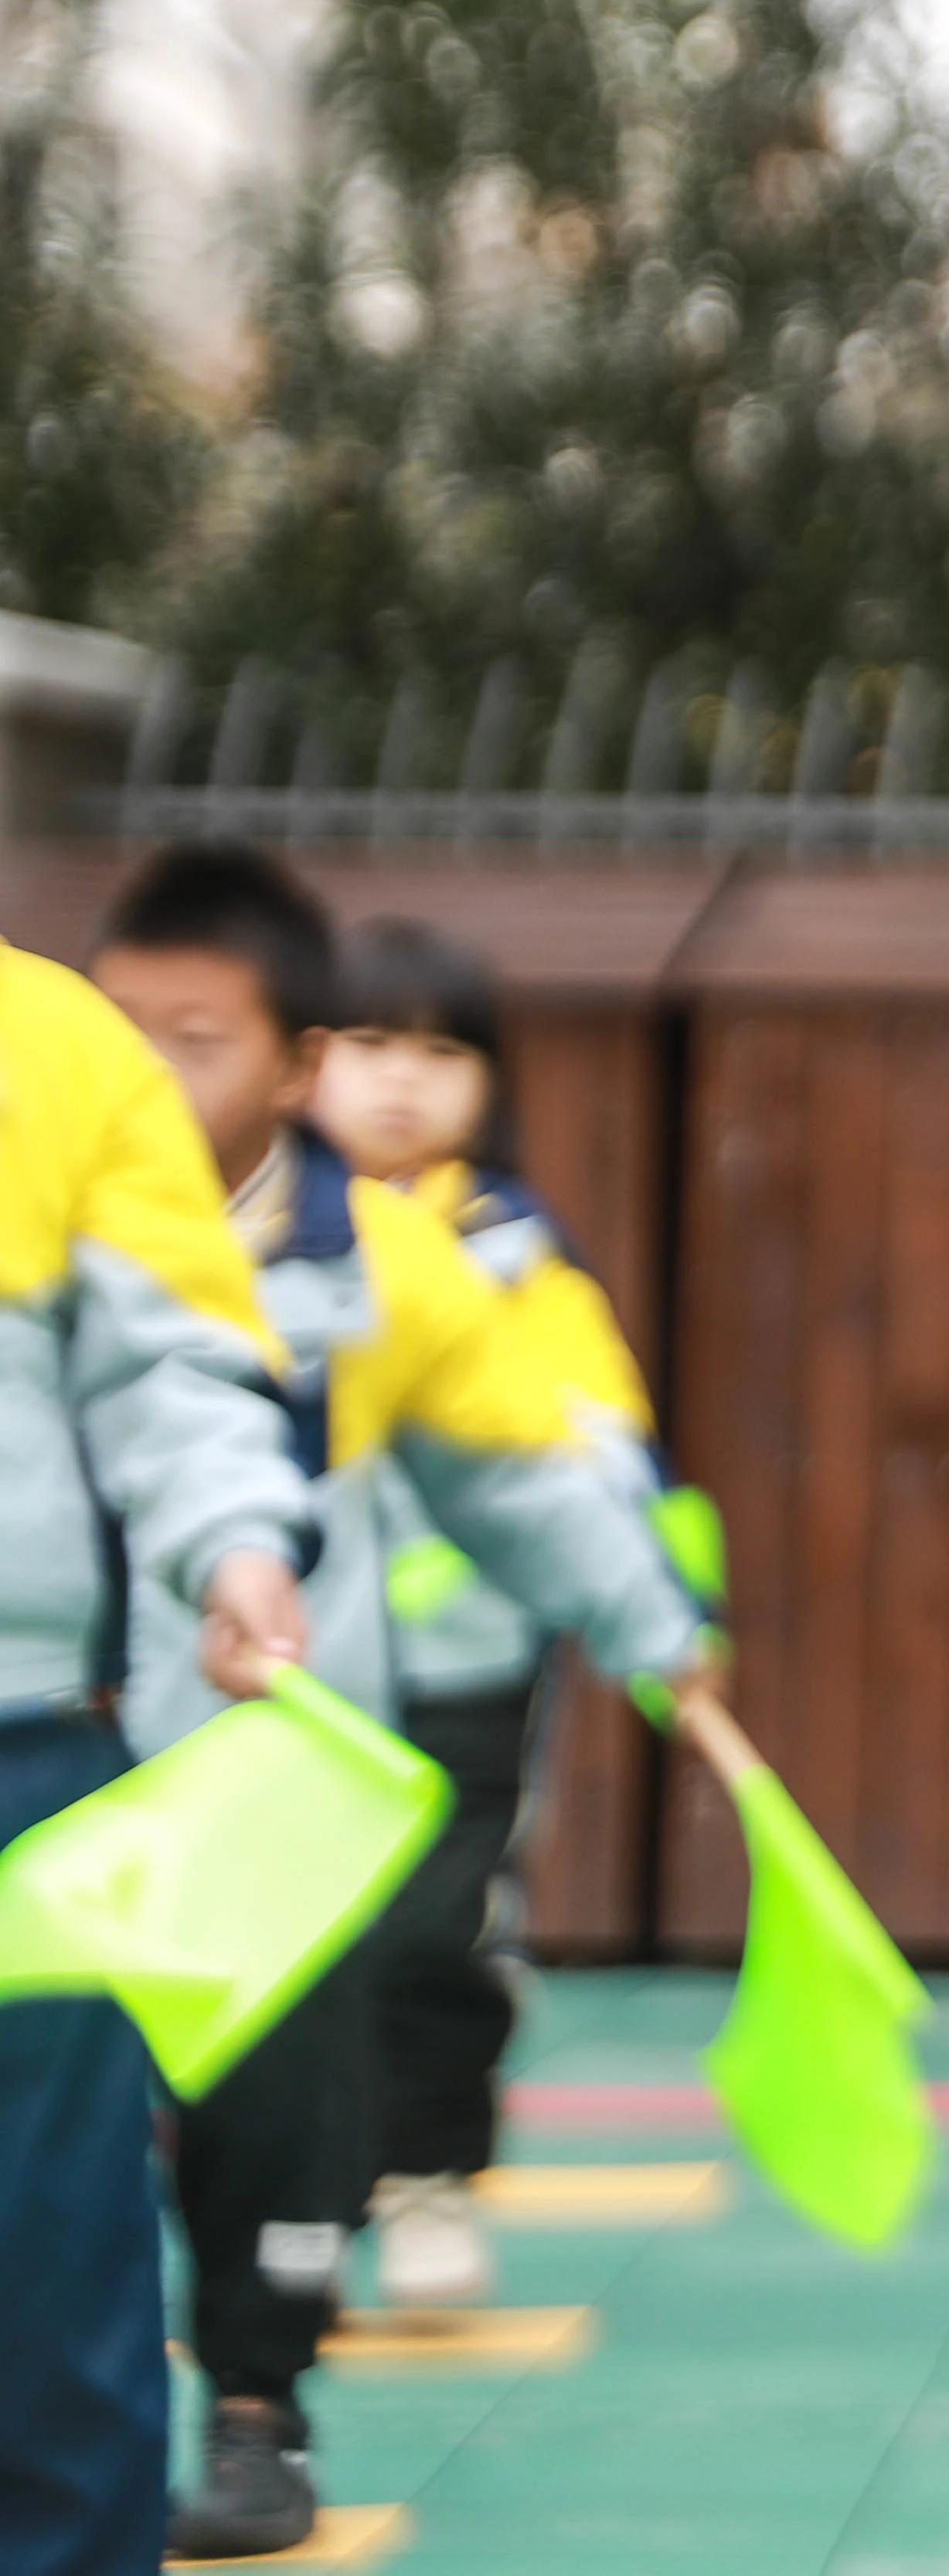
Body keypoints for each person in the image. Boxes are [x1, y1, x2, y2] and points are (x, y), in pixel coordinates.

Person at [88, 846, 715, 2562]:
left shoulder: (383, 1259)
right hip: (69, 1753)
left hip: (279, 1762)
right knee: (63, 2099)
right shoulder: (52, 1216)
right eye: (119, 1025)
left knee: (281, 2088)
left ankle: (256, 2405)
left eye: (196, 1034)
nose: (146, 1068)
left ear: (293, 1063)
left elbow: (518, 1471)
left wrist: (653, 1615)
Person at [308, 917, 712, 2316]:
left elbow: (600, 1454)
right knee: (295, 1935)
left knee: (437, 1928)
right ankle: (299, 2201)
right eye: (367, 1043)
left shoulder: (519, 1262)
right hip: (286, 1672)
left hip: (470, 1664)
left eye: (440, 1049)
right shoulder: (240, 1241)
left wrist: (661, 1612)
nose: (399, 1081)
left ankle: (424, 2182)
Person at [0, 932, 320, 2576]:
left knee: (50, 2248)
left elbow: (177, 1362)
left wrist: (239, 1542)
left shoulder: (51, 1043)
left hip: (20, 1751)